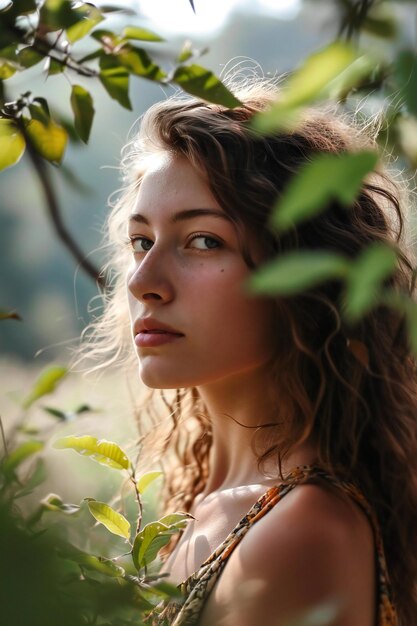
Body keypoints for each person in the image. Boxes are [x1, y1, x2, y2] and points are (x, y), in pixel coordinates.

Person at [82, 79, 417, 626]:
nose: (144, 281)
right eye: (142, 242)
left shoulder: (303, 531)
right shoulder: (209, 502)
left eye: (203, 240)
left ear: (302, 276)